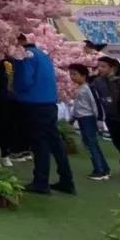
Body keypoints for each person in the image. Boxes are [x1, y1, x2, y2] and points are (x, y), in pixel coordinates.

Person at [12, 34, 76, 195]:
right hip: (49, 104)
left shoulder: (24, 56)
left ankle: (41, 182)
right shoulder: (42, 54)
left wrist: (14, 89)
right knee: (55, 142)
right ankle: (66, 180)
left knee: (39, 143)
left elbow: (24, 82)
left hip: (33, 104)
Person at [68, 64, 110, 180]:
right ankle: (104, 168)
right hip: (82, 118)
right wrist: (73, 117)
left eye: (75, 74)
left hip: (88, 118)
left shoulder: (89, 88)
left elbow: (96, 104)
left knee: (91, 144)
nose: (72, 77)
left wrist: (99, 119)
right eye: (71, 74)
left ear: (83, 75)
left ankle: (100, 170)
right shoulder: (80, 88)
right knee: (90, 143)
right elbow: (77, 105)